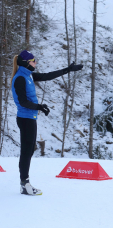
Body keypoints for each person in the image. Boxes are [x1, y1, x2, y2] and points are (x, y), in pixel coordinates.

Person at [11, 50, 83, 195]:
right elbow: (23, 102)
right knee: (26, 151)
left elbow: (47, 76)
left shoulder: (28, 75)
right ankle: (24, 184)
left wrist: (68, 70)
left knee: (29, 150)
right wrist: (39, 106)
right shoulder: (20, 78)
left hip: (30, 118)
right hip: (25, 119)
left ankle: (24, 183)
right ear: (26, 62)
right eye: (33, 60)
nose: (36, 62)